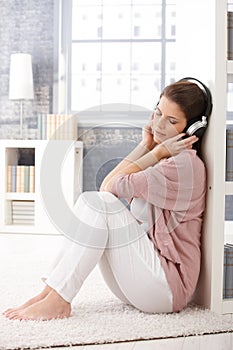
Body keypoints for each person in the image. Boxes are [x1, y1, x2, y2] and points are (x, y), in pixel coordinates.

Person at [4, 78, 209, 321]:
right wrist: (147, 147)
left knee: (99, 203)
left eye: (172, 121)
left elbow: (109, 187)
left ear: (192, 129)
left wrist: (154, 152)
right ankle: (51, 292)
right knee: (94, 202)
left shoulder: (183, 165)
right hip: (141, 283)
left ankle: (58, 299)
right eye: (158, 113)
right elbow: (109, 187)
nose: (159, 125)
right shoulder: (164, 158)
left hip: (165, 289)